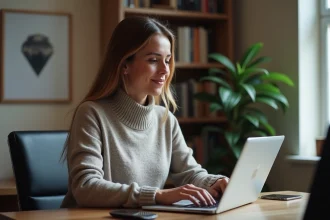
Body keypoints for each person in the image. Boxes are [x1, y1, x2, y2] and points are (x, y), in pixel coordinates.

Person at [61, 16, 229, 208]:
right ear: (124, 65)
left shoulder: (165, 119)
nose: (165, 70)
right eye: (153, 60)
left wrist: (214, 182)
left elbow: (189, 173)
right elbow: (86, 188)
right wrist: (157, 195)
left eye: (167, 60)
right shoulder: (92, 113)